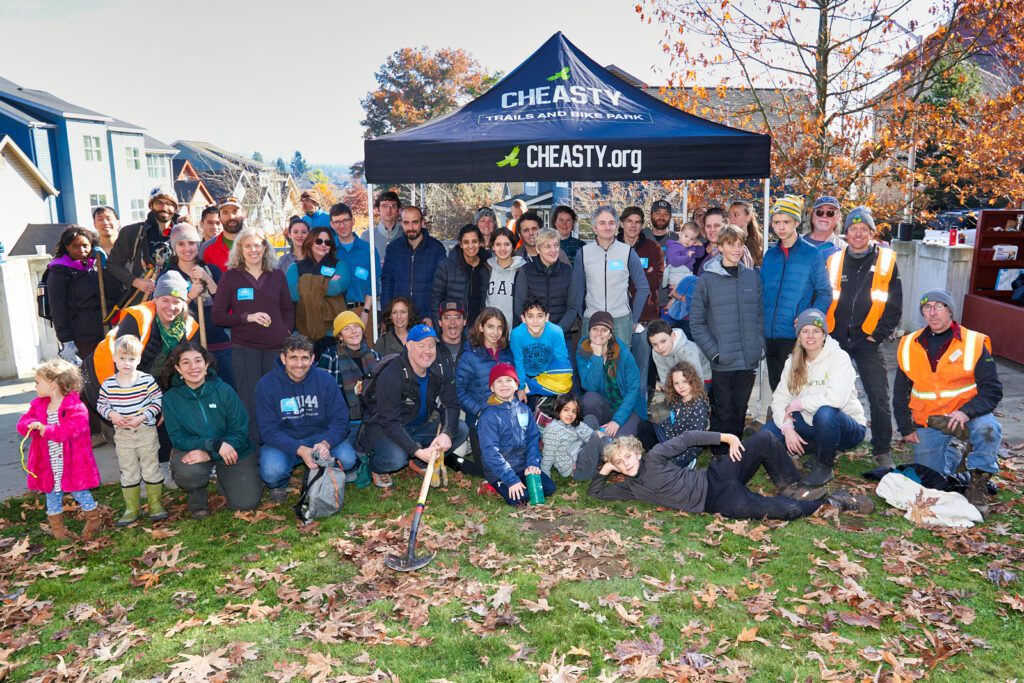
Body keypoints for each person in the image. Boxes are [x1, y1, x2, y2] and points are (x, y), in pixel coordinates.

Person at [588, 430, 872, 519]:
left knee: (764, 440)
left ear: (637, 452)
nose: (625, 464)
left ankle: (792, 484)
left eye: (627, 456)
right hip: (717, 501)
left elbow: (688, 438)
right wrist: (606, 467)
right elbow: (595, 492)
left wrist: (728, 438)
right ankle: (836, 501)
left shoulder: (656, 455)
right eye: (619, 463)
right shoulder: (630, 488)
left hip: (716, 475)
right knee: (786, 511)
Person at [893, 288, 1003, 517]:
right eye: (927, 308)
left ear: (950, 310)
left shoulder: (973, 342)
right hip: (930, 418)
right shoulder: (908, 344)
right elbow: (900, 392)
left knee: (989, 429)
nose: (932, 313)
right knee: (932, 481)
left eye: (938, 306)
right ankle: (957, 450)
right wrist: (906, 426)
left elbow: (992, 390)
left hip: (966, 416)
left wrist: (966, 412)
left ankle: (977, 484)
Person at [825, 206, 902, 467]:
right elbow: (824, 297)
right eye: (853, 229)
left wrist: (877, 335)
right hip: (836, 339)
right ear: (845, 233)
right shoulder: (834, 261)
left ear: (871, 232)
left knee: (879, 396)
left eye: (863, 230)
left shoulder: (886, 262)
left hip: (868, 340)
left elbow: (894, 305)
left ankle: (882, 449)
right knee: (830, 393)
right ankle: (830, 442)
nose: (858, 234)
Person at [762, 309, 867, 486]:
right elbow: (780, 399)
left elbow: (836, 400)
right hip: (811, 423)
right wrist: (787, 427)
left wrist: (799, 403)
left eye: (816, 331)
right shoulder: (793, 361)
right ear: (799, 336)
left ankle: (824, 466)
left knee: (825, 413)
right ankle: (811, 451)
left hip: (846, 427)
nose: (810, 336)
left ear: (824, 335)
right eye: (805, 331)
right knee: (768, 433)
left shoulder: (839, 358)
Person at [212, 227, 295, 445]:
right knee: (250, 399)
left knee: (276, 397)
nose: (253, 250)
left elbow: (288, 308)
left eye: (257, 245)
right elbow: (217, 316)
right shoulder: (230, 277)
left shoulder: (276, 274)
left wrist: (285, 331)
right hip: (245, 347)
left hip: (276, 348)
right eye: (247, 246)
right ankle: (255, 450)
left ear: (265, 247)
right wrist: (247, 317)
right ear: (240, 249)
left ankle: (280, 445)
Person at [358, 324, 468, 487]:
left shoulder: (439, 368)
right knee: (396, 458)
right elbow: (389, 422)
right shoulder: (392, 374)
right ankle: (376, 467)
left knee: (460, 429)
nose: (427, 351)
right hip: (386, 430)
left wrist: (446, 433)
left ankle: (420, 462)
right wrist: (416, 450)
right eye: (421, 345)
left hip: (418, 428)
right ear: (408, 346)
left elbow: (451, 404)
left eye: (431, 346)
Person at [161, 342, 261, 517]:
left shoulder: (224, 390)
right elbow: (178, 437)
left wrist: (212, 454)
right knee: (189, 473)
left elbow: (240, 429)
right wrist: (213, 445)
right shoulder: (171, 399)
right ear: (177, 368)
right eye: (186, 362)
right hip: (196, 449)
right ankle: (197, 498)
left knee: (246, 503)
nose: (193, 367)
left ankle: (225, 478)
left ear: (206, 364)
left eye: (198, 360)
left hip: (232, 448)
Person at [256, 333, 356, 502]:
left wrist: (326, 443)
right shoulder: (266, 385)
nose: (299, 364)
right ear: (283, 358)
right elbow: (268, 431)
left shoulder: (325, 380)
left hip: (319, 437)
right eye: (293, 358)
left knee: (348, 459)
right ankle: (279, 485)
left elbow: (341, 419)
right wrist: (300, 449)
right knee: (272, 471)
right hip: (285, 440)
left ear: (312, 359)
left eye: (304, 358)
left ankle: (323, 473)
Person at [689, 225, 764, 448]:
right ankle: (720, 455)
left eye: (740, 244)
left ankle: (736, 453)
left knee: (740, 409)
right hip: (723, 358)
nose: (737, 249)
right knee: (723, 410)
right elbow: (696, 321)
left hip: (748, 357)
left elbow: (759, 315)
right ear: (720, 247)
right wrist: (715, 352)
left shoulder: (752, 277)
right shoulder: (707, 279)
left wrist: (759, 347)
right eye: (731, 244)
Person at [17, 359, 103, 540]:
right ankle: (58, 529)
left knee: (79, 491)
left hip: (72, 463)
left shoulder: (75, 407)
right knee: (52, 493)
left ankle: (93, 518)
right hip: (49, 463)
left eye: (37, 382)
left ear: (53, 384)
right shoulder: (38, 406)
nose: (35, 386)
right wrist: (29, 424)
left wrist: (46, 430)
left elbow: (72, 430)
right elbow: (22, 423)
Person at [761, 195, 831, 391]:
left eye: (786, 222)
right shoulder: (770, 255)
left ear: (797, 223)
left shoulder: (812, 255)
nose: (781, 227)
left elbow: (825, 293)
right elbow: (762, 291)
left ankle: (796, 422)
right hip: (768, 334)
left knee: (796, 387)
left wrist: (808, 319)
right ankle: (781, 421)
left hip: (794, 334)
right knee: (776, 385)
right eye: (776, 222)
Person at [96, 335, 165, 526]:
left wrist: (142, 417)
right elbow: (101, 404)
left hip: (145, 431)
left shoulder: (146, 380)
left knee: (151, 466)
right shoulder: (109, 384)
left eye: (132, 359)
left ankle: (155, 505)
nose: (127, 363)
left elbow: (158, 401)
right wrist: (112, 415)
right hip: (123, 434)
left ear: (139, 359)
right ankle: (131, 508)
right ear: (114, 358)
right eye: (123, 358)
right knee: (128, 469)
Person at [163, 223, 234, 388]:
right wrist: (189, 296)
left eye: (191, 243)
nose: (187, 248)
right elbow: (166, 314)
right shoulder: (169, 276)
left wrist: (208, 280)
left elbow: (226, 305)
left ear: (198, 244)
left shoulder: (212, 270)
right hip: (186, 348)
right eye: (181, 244)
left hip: (219, 344)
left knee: (227, 390)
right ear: (174, 248)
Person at [477, 363, 556, 505]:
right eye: (498, 381)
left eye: (509, 380)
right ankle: (493, 484)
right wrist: (511, 480)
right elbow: (490, 453)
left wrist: (532, 463)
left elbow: (533, 439)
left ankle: (518, 481)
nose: (504, 385)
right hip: (499, 471)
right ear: (492, 388)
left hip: (522, 466)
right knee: (521, 500)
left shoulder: (524, 410)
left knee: (549, 488)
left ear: (516, 385)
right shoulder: (488, 416)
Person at [574, 205, 650, 344]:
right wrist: (583, 315)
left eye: (611, 223)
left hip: (621, 321)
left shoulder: (628, 252)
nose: (607, 227)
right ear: (594, 227)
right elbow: (577, 289)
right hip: (592, 320)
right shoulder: (583, 253)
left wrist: (633, 318)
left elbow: (643, 287)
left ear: (616, 226)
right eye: (602, 223)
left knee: (620, 364)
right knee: (592, 363)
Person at [47, 226, 121, 363]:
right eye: (75, 246)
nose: (81, 251)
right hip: (80, 336)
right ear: (67, 247)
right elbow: (57, 309)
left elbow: (114, 293)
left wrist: (106, 268)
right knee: (88, 373)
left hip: (104, 329)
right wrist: (66, 340)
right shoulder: (59, 271)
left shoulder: (96, 266)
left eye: (85, 246)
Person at [456, 307, 514, 476]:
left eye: (499, 327)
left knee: (510, 465)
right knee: (486, 471)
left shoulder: (507, 354)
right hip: (480, 421)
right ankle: (451, 459)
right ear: (481, 327)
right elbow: (460, 390)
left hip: (505, 420)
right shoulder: (470, 356)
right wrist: (479, 411)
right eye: (490, 326)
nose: (495, 332)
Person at [317, 311, 380, 460]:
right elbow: (319, 393)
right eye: (347, 328)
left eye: (356, 326)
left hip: (371, 420)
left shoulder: (375, 356)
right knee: (348, 460)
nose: (353, 331)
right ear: (340, 336)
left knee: (376, 454)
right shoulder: (330, 356)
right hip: (343, 423)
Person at [576, 311, 647, 438]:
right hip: (604, 406)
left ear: (610, 334)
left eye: (604, 330)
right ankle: (595, 436)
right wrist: (597, 357)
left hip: (628, 407)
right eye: (594, 329)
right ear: (589, 332)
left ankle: (610, 433)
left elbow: (634, 389)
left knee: (618, 441)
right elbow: (589, 387)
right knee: (589, 398)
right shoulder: (583, 351)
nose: (598, 333)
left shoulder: (622, 352)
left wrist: (617, 421)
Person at [619, 206, 665, 393]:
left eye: (637, 222)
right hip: (617, 315)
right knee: (619, 367)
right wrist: (641, 276)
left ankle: (641, 410)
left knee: (642, 367)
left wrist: (629, 278)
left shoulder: (652, 248)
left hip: (645, 316)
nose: (633, 226)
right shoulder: (612, 246)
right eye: (629, 221)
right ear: (622, 224)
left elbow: (655, 281)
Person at [285, 225, 351, 356]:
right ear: (310, 242)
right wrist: (327, 281)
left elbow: (336, 288)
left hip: (333, 333)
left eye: (328, 242)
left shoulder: (340, 265)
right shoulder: (295, 267)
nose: (323, 245)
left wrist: (304, 283)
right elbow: (294, 294)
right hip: (303, 332)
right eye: (319, 241)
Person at [107, 185, 179, 300]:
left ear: (175, 208)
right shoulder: (132, 232)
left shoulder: (182, 233)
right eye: (159, 203)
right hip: (142, 302)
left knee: (179, 319)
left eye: (170, 204)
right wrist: (136, 282)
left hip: (175, 301)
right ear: (151, 206)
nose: (164, 208)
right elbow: (113, 264)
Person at [380, 205, 447, 327]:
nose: (410, 227)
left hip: (426, 319)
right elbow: (387, 283)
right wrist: (387, 314)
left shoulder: (436, 248)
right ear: (401, 223)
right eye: (406, 223)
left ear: (422, 223)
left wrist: (432, 315)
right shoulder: (393, 249)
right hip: (399, 319)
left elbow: (442, 287)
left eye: (415, 222)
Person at [637, 360, 710, 469]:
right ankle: (657, 459)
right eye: (676, 383)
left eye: (684, 381)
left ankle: (682, 463)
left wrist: (673, 451)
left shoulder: (698, 406)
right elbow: (665, 422)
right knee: (644, 426)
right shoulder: (677, 399)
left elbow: (695, 440)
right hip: (669, 439)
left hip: (683, 449)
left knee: (663, 463)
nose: (681, 386)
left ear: (692, 380)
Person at [513, 228, 579, 337]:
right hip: (531, 335)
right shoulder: (526, 271)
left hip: (559, 335)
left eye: (556, 245)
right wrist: (534, 330)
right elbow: (519, 306)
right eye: (547, 246)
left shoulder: (568, 271)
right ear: (538, 249)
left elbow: (573, 307)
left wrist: (557, 331)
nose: (553, 250)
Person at [509, 298, 573, 401]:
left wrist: (558, 380)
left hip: (547, 372)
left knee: (566, 377)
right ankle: (531, 389)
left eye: (540, 316)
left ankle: (534, 389)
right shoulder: (517, 334)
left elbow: (562, 361)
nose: (535, 321)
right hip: (525, 374)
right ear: (523, 318)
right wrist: (521, 387)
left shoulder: (556, 332)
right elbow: (518, 362)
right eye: (530, 316)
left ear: (547, 317)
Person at [330, 203, 379, 330]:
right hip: (336, 312)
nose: (342, 226)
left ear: (353, 221)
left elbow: (374, 284)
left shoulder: (369, 250)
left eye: (346, 220)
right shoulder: (328, 250)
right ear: (331, 225)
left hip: (362, 311)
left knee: (367, 349)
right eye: (337, 222)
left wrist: (366, 312)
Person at [432, 224, 488, 327]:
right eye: (466, 242)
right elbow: (436, 300)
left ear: (480, 243)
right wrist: (438, 329)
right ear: (460, 244)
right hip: (453, 328)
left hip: (478, 327)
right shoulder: (446, 266)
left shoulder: (487, 266)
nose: (471, 246)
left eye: (474, 241)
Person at [541, 393, 603, 480]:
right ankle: (611, 454)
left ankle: (608, 453)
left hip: (581, 452)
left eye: (574, 411)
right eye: (566, 410)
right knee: (596, 436)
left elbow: (588, 435)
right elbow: (548, 455)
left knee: (590, 418)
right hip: (578, 468)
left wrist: (596, 438)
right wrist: (545, 476)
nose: (570, 414)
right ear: (558, 409)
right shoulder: (552, 431)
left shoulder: (574, 423)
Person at [646, 319, 707, 388]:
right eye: (654, 344)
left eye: (663, 341)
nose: (660, 347)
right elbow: (664, 375)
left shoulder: (687, 350)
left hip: (702, 377)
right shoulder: (656, 352)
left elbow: (698, 377)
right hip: (679, 378)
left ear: (673, 336)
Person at [485, 227, 525, 327]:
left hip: (514, 331)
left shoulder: (522, 270)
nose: (502, 248)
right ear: (493, 247)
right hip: (490, 332)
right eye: (498, 244)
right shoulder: (486, 269)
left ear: (513, 246)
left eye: (507, 244)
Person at [200, 196, 246, 271]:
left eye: (235, 212)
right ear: (219, 217)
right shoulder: (207, 248)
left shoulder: (258, 244)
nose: (231, 217)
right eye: (225, 213)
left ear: (244, 215)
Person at [362, 190, 403, 254]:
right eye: (384, 206)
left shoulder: (406, 234)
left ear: (398, 210)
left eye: (393, 206)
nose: (389, 210)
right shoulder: (367, 236)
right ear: (378, 209)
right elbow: (361, 262)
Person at [727, 199, 764, 267]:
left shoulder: (759, 241)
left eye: (736, 215)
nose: (731, 219)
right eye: (729, 215)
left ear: (748, 217)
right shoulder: (724, 239)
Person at [436, 300, 468, 375]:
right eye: (447, 317)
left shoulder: (472, 349)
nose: (452, 322)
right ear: (440, 322)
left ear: (464, 322)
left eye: (457, 317)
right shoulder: (431, 349)